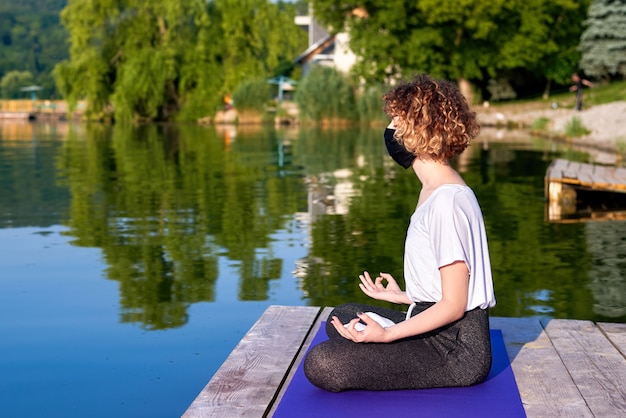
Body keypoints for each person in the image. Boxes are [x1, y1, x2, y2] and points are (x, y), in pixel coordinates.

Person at [303, 74, 496, 392]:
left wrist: (388, 334)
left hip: (455, 350)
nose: (390, 131)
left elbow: (455, 304)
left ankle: (396, 337)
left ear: (418, 131)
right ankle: (399, 327)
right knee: (343, 315)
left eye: (396, 122)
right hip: (432, 321)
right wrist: (404, 296)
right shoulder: (436, 189)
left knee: (322, 364)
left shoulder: (447, 202)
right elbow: (451, 287)